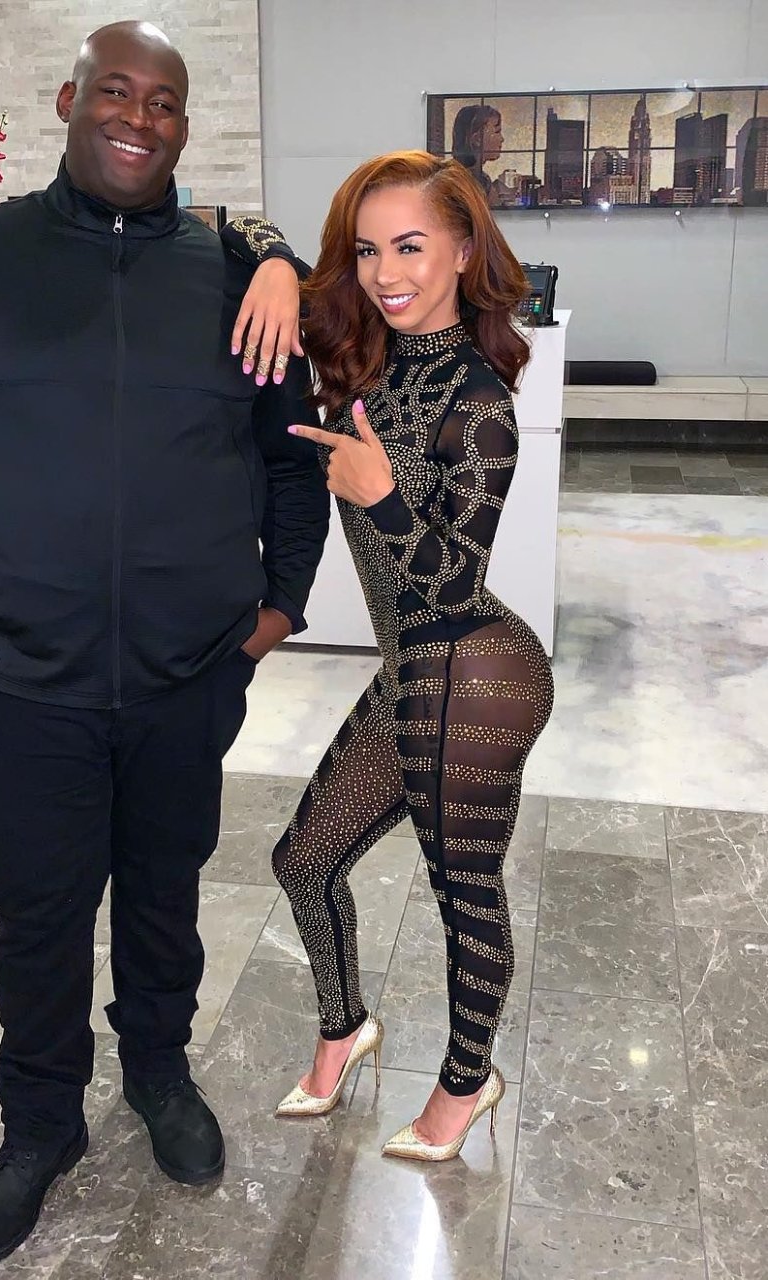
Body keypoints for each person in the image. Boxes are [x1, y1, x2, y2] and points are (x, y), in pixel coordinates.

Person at [0, 20, 328, 1269]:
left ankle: (159, 1074)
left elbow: (293, 458)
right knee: (37, 911)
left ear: (184, 124)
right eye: (115, 92)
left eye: (163, 100)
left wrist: (279, 606)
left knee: (165, 892)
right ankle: (38, 1125)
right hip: (25, 677)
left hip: (189, 671)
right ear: (69, 100)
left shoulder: (230, 273)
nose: (138, 116)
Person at [267, 151, 554, 1160]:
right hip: (411, 665)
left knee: (461, 893)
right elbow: (239, 234)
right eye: (366, 249)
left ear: (463, 252)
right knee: (303, 861)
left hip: (476, 671)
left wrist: (382, 496)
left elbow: (452, 582)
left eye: (410, 247)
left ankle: (465, 1085)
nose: (385, 272)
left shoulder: (478, 404)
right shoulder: (370, 361)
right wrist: (275, 263)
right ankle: (344, 1027)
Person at [450, 104, 504, 200]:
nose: (502, 139)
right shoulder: (461, 181)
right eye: (497, 131)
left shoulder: (482, 178)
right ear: (477, 139)